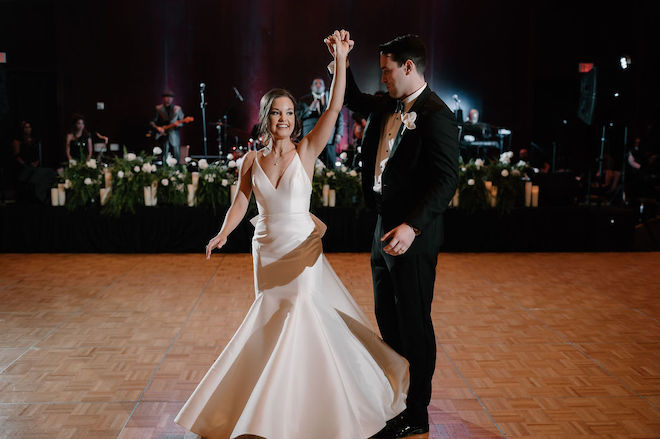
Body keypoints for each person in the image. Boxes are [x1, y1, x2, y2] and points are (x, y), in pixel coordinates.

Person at [174, 30, 409, 439]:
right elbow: (241, 203)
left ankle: (309, 407)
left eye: (288, 113)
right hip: (265, 249)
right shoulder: (250, 159)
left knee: (302, 310)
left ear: (294, 118)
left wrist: (340, 61)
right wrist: (222, 233)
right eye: (275, 113)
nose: (283, 119)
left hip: (301, 248)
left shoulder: (308, 151)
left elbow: (336, 107)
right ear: (265, 117)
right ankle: (269, 406)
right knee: (271, 318)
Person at [335, 33, 459, 437]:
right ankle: (398, 396)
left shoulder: (437, 114)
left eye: (387, 71)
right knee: (388, 319)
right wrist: (340, 59)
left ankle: (417, 412)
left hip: (412, 237)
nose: (383, 78)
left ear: (408, 67)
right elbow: (352, 99)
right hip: (381, 229)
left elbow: (446, 180)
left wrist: (413, 226)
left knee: (415, 323)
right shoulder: (389, 103)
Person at [298, 77, 344, 167]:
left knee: (330, 167)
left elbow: (339, 117)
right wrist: (309, 109)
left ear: (324, 87)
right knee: (310, 166)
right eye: (316, 84)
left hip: (329, 138)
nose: (318, 86)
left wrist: (339, 133)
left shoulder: (331, 99)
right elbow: (298, 116)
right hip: (310, 137)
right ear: (312, 87)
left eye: (321, 84)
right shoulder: (304, 100)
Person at [13, 121, 55, 203]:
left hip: (35, 165)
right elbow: (17, 156)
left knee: (48, 172)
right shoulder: (17, 141)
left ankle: (42, 197)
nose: (28, 129)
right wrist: (26, 164)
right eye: (26, 127)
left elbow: (38, 154)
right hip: (23, 166)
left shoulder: (35, 140)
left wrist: (36, 162)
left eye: (29, 127)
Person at [151, 89, 185, 163]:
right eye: (166, 97)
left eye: (170, 97)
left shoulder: (177, 109)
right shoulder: (158, 108)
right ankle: (164, 171)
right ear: (163, 98)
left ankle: (177, 171)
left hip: (174, 134)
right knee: (164, 154)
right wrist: (158, 128)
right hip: (163, 134)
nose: (168, 99)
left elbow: (182, 122)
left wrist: (178, 125)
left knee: (176, 154)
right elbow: (153, 122)